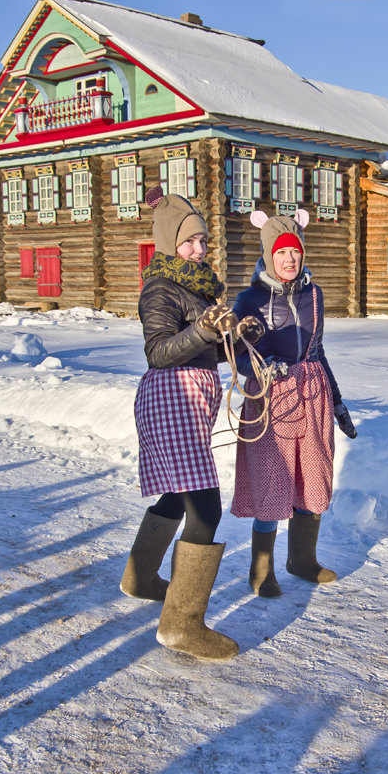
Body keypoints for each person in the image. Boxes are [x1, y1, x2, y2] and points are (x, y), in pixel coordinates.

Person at [119, 186, 264, 660]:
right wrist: (203, 329)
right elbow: (159, 352)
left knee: (179, 495)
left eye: (203, 242)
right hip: (171, 395)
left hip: (189, 398)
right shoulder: (160, 288)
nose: (199, 250)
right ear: (168, 244)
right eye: (189, 243)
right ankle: (182, 625)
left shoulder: (199, 289)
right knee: (205, 509)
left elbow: (215, 350)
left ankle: (141, 578)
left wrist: (240, 335)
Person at [230, 209, 358, 598]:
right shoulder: (249, 298)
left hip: (313, 391)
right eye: (282, 252)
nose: (289, 259)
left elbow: (318, 351)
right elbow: (237, 352)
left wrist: (337, 403)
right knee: (273, 482)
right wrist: (264, 365)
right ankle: (261, 571)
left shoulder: (313, 295)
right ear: (269, 254)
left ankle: (301, 559)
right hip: (272, 397)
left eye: (295, 252)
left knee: (313, 478)